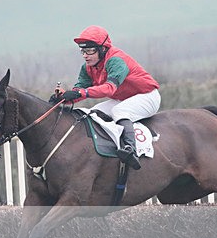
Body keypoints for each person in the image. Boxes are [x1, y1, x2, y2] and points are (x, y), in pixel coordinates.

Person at [51, 25, 161, 170]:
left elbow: (109, 89)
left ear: (103, 49)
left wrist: (80, 93)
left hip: (147, 96)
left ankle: (130, 150)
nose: (85, 55)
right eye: (83, 51)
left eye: (90, 50)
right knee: (93, 113)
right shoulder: (87, 67)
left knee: (120, 112)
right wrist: (65, 98)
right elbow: (80, 90)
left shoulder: (116, 60)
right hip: (124, 98)